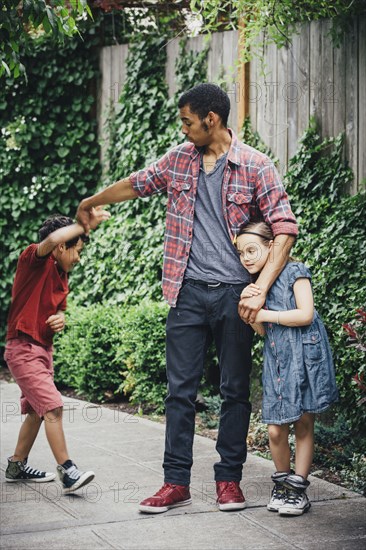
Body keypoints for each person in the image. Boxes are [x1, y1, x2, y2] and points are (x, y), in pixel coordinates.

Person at [76, 83, 298, 513]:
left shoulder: (256, 166)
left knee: (234, 391)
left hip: (236, 296)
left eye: (187, 121)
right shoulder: (179, 160)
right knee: (179, 392)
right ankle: (175, 482)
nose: (183, 129)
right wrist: (91, 200)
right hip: (187, 291)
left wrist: (260, 288)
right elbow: (138, 184)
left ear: (210, 119)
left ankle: (228, 481)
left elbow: (285, 227)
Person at [236, 221, 339, 516]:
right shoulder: (255, 286)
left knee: (304, 423)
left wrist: (265, 312)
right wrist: (249, 310)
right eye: (242, 252)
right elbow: (262, 331)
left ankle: (297, 491)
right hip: (279, 360)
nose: (246, 257)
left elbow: (305, 314)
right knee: (275, 430)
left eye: (252, 249)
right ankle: (282, 485)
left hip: (305, 357)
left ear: (273, 246)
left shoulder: (296, 272)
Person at [4, 208, 110, 493]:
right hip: (23, 348)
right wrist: (83, 225)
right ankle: (68, 471)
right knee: (53, 406)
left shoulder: (62, 277)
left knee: (37, 412)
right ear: (62, 246)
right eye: (76, 250)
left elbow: (54, 314)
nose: (78, 258)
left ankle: (16, 465)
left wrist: (60, 320)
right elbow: (50, 241)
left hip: (41, 350)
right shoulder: (33, 261)